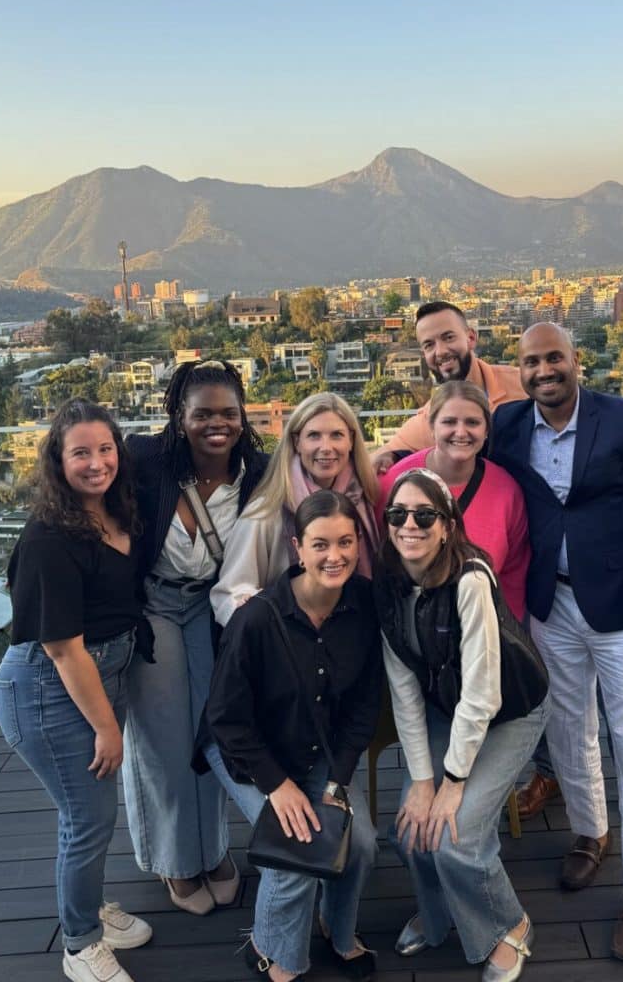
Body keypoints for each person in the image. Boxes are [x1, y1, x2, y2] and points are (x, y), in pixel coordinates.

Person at [491, 322, 623, 962]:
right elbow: (444, 441)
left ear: (576, 362)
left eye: (554, 358)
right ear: (518, 370)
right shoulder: (509, 425)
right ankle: (590, 833)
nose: (544, 370)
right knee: (569, 728)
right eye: (531, 361)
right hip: (553, 603)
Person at [0, 399, 152, 982]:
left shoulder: (117, 511)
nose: (96, 463)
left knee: (92, 814)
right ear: (57, 462)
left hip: (96, 676)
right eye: (80, 452)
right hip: (46, 687)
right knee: (85, 818)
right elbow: (63, 648)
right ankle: (80, 942)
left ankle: (89, 907)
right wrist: (108, 728)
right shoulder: (48, 539)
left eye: (105, 448)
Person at [199, 490, 383, 982]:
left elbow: (365, 703)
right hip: (248, 750)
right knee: (298, 850)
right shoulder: (257, 618)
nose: (335, 556)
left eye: (346, 542)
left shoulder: (365, 603)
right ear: (297, 547)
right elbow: (225, 718)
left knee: (359, 840)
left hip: (319, 747)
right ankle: (276, 958)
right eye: (321, 544)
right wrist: (277, 786)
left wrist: (335, 780)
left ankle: (337, 928)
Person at [376, 467, 548, 982]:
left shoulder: (470, 579)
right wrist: (423, 781)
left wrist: (451, 783)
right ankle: (440, 915)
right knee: (411, 831)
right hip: (444, 711)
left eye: (425, 515)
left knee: (457, 836)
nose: (411, 524)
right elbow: (405, 691)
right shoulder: (389, 587)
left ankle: (510, 924)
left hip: (510, 711)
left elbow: (483, 695)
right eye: (398, 514)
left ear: (448, 525)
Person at [124, 359, 269, 915]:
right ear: (178, 416)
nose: (217, 424)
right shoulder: (146, 461)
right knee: (162, 738)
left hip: (213, 607)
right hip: (153, 604)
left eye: (228, 413)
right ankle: (173, 862)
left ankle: (211, 852)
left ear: (242, 417)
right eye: (202, 413)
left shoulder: (258, 471)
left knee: (211, 734)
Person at [210, 392, 379, 625]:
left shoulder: (366, 499)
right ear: (296, 442)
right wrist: (270, 629)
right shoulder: (266, 512)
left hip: (354, 635)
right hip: (291, 641)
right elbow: (231, 592)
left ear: (351, 440)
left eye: (337, 435)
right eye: (314, 436)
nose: (326, 447)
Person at [376, 379, 529, 620]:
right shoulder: (394, 482)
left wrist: (507, 635)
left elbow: (513, 575)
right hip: (406, 630)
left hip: (482, 629)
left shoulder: (507, 491)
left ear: (487, 430)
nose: (461, 432)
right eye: (449, 422)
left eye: (472, 422)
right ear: (432, 426)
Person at [370, 301, 525, 474]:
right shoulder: (430, 420)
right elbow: (371, 463)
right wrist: (392, 456)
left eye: (448, 337)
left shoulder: (521, 385)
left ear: (471, 338)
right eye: (429, 345)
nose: (441, 351)